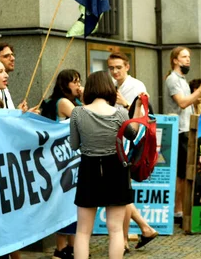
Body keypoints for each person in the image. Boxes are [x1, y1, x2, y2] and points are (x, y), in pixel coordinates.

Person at [70, 71, 144, 259]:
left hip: (88, 168)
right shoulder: (119, 112)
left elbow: (74, 145)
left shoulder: (77, 112)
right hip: (116, 168)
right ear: (109, 88)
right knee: (116, 230)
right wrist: (136, 109)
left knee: (83, 231)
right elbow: (132, 134)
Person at [105, 52, 159, 252]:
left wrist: (124, 103)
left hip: (131, 144)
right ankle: (143, 229)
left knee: (121, 193)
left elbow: (142, 116)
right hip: (116, 143)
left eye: (118, 67)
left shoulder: (137, 86)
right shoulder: (110, 84)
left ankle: (126, 239)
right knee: (121, 193)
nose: (115, 71)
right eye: (111, 68)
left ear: (127, 66)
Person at [163, 47, 201, 221]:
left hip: (185, 129)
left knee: (184, 174)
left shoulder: (182, 80)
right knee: (181, 175)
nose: (188, 60)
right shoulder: (173, 79)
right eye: (184, 57)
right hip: (179, 130)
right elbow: (183, 103)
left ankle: (182, 209)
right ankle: (178, 210)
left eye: (189, 57)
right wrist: (200, 89)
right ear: (175, 60)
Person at [40, 69, 83, 259]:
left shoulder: (54, 102)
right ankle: (62, 248)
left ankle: (68, 247)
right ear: (65, 84)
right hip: (66, 160)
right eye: (75, 82)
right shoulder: (64, 103)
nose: (78, 85)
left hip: (61, 160)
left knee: (67, 202)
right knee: (68, 202)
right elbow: (84, 119)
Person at [0, 42, 27, 111]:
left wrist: (20, 112)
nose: (12, 58)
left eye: (12, 55)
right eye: (6, 56)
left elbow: (7, 117)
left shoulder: (3, 87)